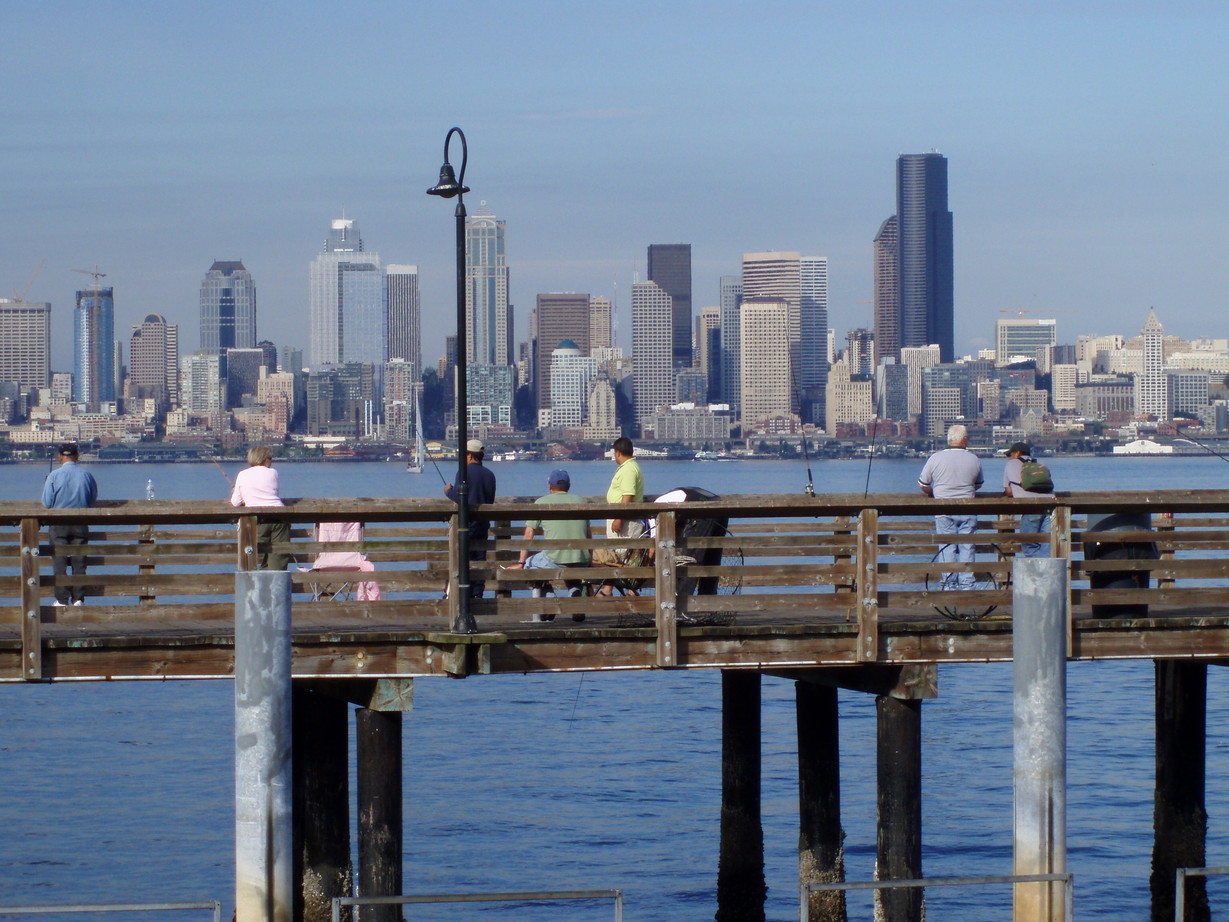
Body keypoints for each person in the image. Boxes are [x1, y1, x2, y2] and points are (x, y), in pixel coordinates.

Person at [507, 469, 591, 601]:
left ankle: (549, 599)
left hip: (556, 559)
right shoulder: (581, 501)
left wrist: (521, 562)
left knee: (530, 564)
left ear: (550, 485)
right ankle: (574, 590)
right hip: (582, 559)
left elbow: (529, 533)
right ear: (568, 486)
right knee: (571, 566)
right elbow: (589, 534)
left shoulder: (541, 503)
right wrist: (589, 558)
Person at [918, 424, 984, 590]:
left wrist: (935, 492)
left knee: (947, 547)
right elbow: (978, 484)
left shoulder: (935, 458)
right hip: (968, 508)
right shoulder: (973, 458)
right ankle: (967, 585)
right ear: (965, 440)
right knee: (967, 547)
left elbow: (923, 484)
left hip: (943, 508)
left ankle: (948, 585)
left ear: (948, 440)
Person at [42, 443, 98, 606]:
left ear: (60, 457)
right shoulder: (86, 475)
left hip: (59, 522)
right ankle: (78, 598)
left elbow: (46, 503)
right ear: (77, 456)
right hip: (80, 521)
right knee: (79, 560)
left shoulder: (54, 475)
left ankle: (61, 599)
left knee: (59, 561)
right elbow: (92, 499)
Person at [444, 438, 498, 598]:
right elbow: (490, 499)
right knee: (479, 558)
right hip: (483, 523)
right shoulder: (489, 475)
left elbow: (459, 496)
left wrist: (448, 491)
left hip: (465, 523)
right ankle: (477, 592)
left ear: (469, 456)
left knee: (461, 558)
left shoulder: (463, 472)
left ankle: (461, 593)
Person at [597, 436, 646, 596]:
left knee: (622, 556)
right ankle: (612, 590)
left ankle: (621, 591)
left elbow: (628, 496)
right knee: (617, 555)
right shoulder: (628, 468)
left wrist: (618, 517)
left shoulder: (629, 469)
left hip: (626, 521)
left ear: (617, 452)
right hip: (622, 518)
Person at [230, 445, 292, 571]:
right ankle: (275, 587)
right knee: (278, 557)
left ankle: (257, 587)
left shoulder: (242, 474)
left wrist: (237, 492)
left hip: (256, 520)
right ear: (264, 459)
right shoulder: (273, 472)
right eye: (270, 458)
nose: (271, 461)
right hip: (279, 516)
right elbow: (273, 493)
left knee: (256, 554)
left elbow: (235, 502)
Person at [1003, 441, 1053, 558]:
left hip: (1030, 508)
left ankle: (1040, 573)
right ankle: (1049, 573)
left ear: (1017, 453)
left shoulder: (1011, 464)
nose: (1009, 458)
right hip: (1050, 506)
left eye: (1010, 454)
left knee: (1029, 546)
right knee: (1047, 545)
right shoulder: (1041, 463)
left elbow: (1009, 492)